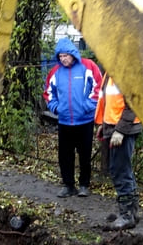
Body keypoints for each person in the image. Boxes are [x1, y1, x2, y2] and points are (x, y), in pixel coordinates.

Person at [43, 37, 101, 198]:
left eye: (66, 56)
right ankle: (68, 185)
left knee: (85, 155)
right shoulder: (55, 72)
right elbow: (48, 93)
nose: (63, 59)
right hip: (65, 121)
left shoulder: (88, 66)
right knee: (65, 156)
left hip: (85, 121)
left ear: (73, 54)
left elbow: (97, 87)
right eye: (60, 56)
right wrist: (56, 108)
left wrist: (88, 107)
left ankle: (84, 185)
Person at [94, 75, 142, 229]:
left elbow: (134, 103)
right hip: (114, 126)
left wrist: (120, 131)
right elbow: (109, 101)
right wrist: (104, 124)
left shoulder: (126, 70)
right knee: (122, 168)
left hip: (122, 129)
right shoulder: (111, 70)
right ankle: (133, 211)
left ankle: (126, 215)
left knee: (119, 169)